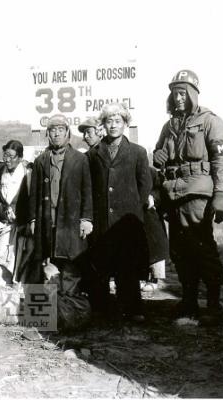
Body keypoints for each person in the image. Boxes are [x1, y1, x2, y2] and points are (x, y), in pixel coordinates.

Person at [153, 69, 223, 325]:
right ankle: (188, 301)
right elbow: (159, 153)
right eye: (174, 93)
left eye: (182, 92)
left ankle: (213, 303)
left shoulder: (211, 121)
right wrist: (157, 155)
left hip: (198, 193)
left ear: (193, 94)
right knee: (180, 251)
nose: (178, 98)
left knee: (202, 248)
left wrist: (220, 195)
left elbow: (222, 160)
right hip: (173, 194)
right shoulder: (170, 125)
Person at [86, 103, 152, 322]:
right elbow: (89, 187)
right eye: (109, 121)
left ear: (126, 124)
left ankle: (132, 309)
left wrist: (133, 210)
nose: (113, 125)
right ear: (103, 125)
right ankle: (100, 309)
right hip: (101, 218)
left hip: (127, 221)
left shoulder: (138, 152)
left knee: (128, 266)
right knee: (100, 266)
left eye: (118, 121)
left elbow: (145, 185)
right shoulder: (93, 154)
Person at [27, 114, 93, 295]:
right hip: (48, 220)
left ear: (67, 133)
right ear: (48, 134)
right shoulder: (41, 160)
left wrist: (86, 219)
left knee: (71, 263)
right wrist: (33, 219)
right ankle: (54, 308)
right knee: (49, 262)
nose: (56, 134)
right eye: (52, 130)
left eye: (60, 130)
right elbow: (34, 193)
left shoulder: (80, 159)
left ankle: (71, 304)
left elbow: (87, 191)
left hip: (71, 220)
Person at [0, 140, 32, 287]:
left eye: (12, 156)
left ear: (20, 157)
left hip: (20, 225)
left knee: (17, 260)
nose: (7, 159)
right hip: (4, 224)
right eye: (5, 155)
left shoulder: (27, 173)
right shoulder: (0, 170)